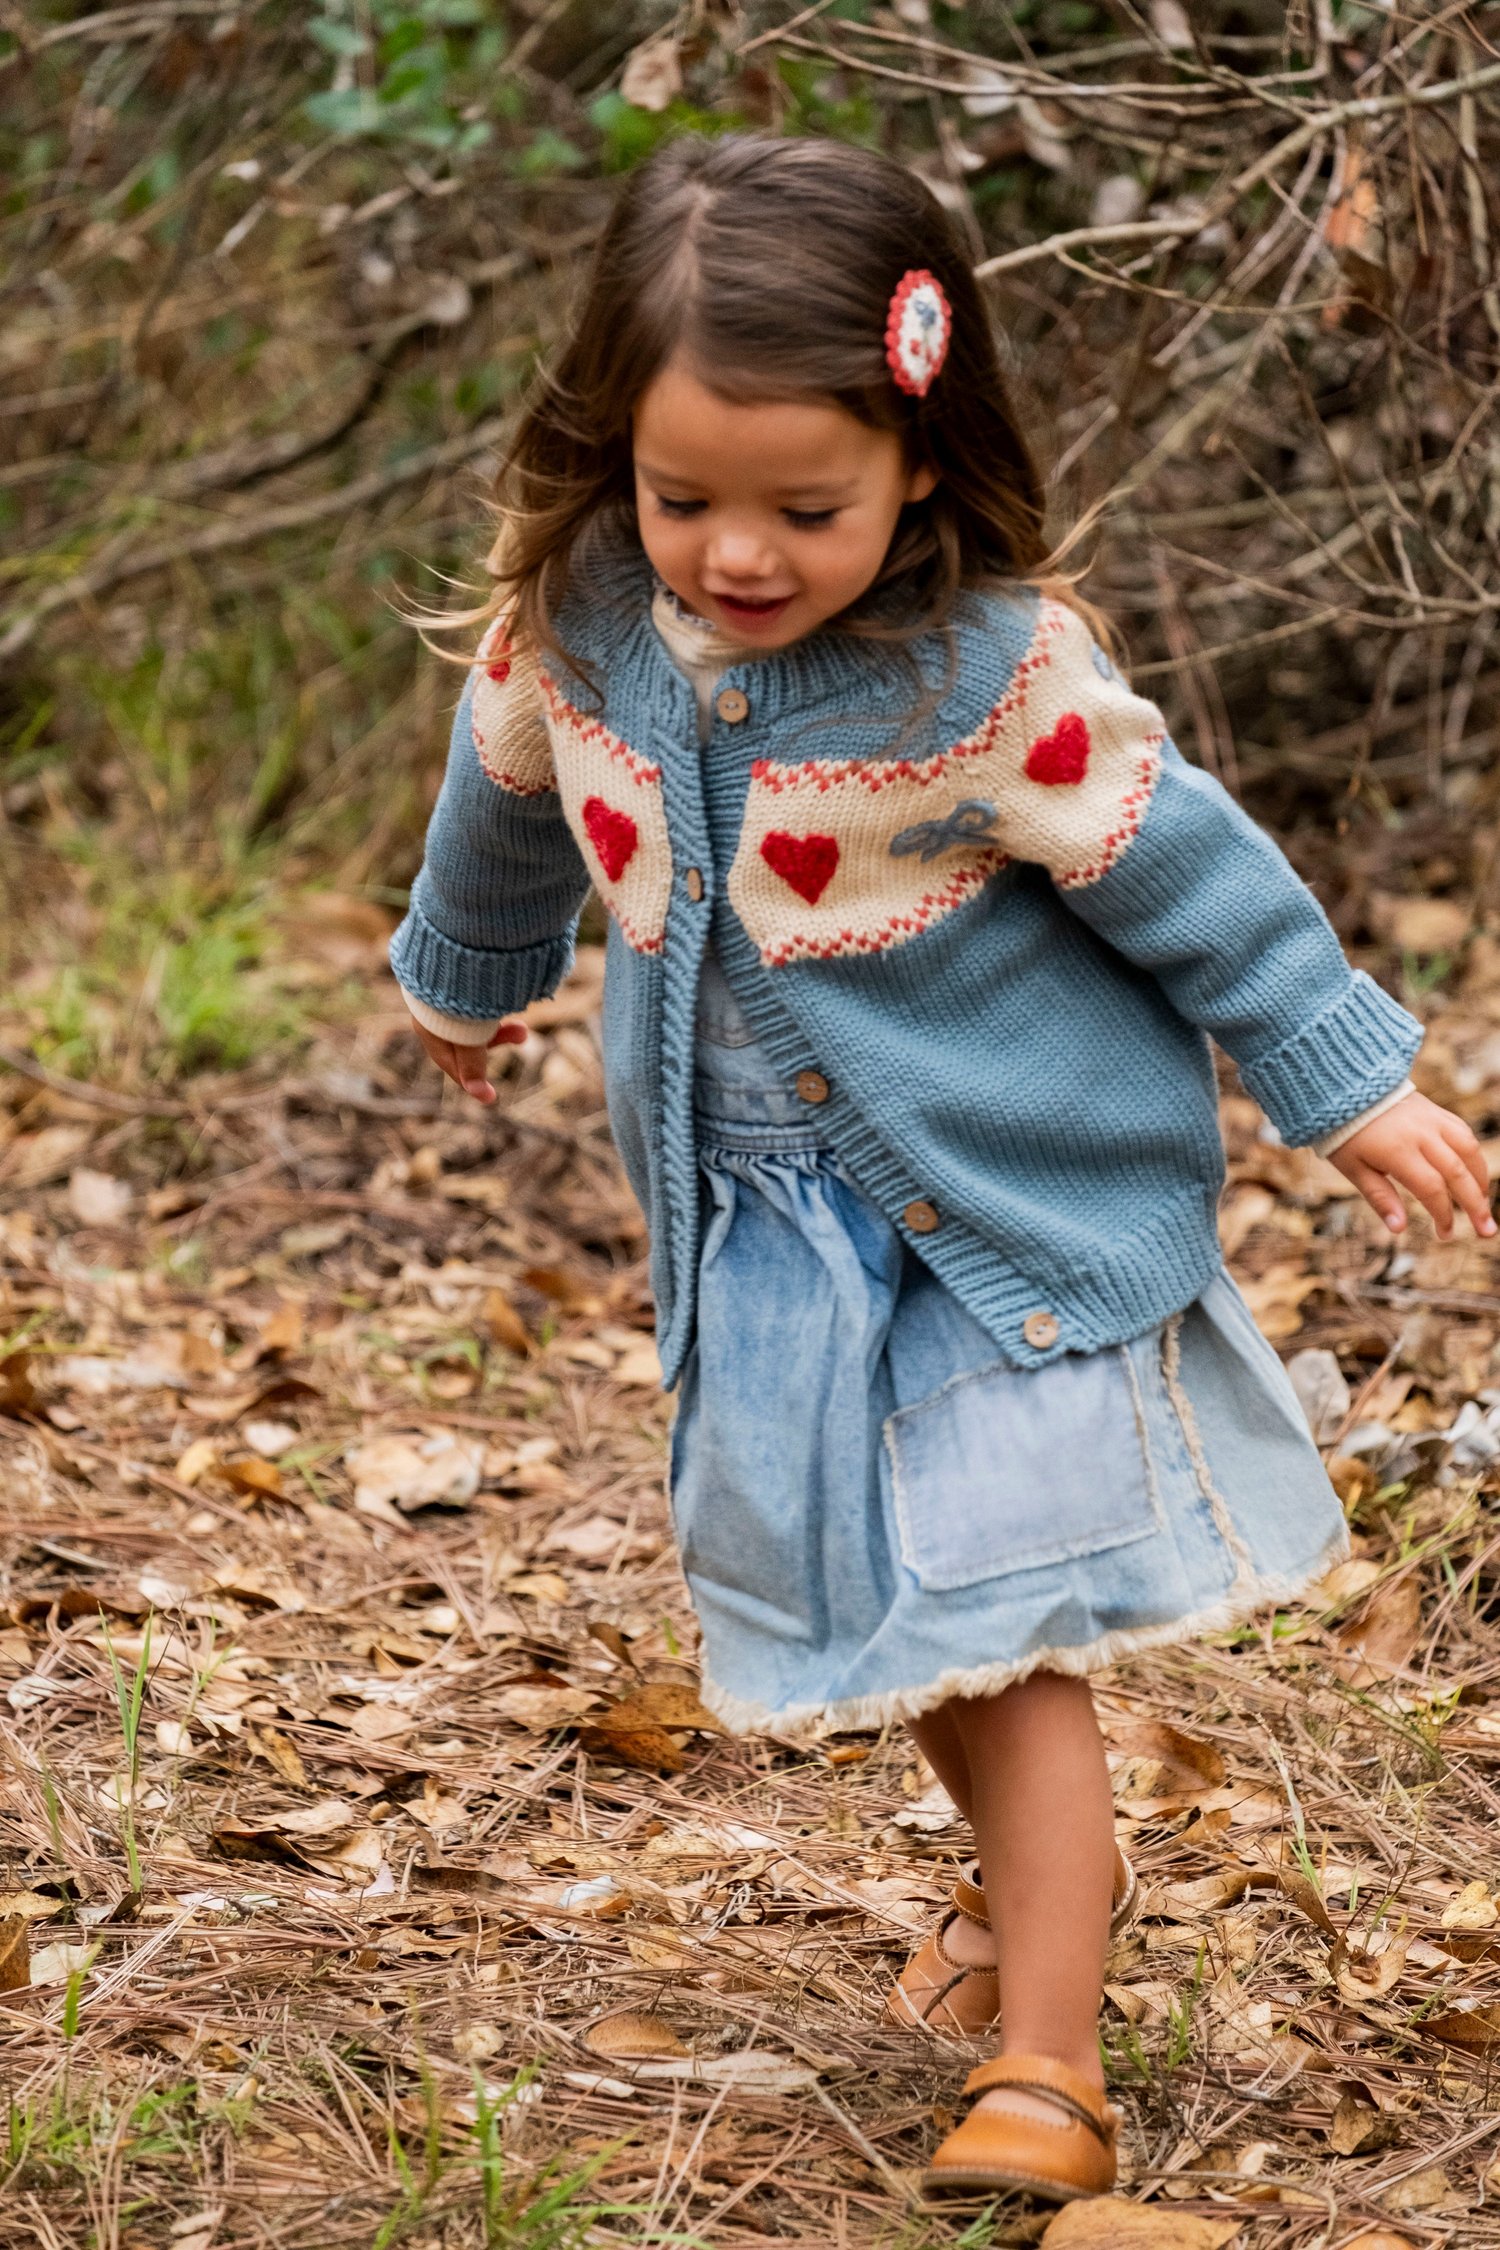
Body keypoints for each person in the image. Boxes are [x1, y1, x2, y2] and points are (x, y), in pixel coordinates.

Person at [390, 133, 1493, 2205]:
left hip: (1000, 1229)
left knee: (1014, 1625)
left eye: (803, 507)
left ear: (918, 455)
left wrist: (1345, 1082)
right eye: (681, 495)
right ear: (608, 449)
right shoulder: (578, 632)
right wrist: (467, 973)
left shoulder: (980, 679)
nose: (734, 552)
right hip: (763, 1246)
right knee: (907, 1631)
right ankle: (1018, 1902)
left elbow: (1202, 886)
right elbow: (503, 801)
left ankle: (1049, 2068)